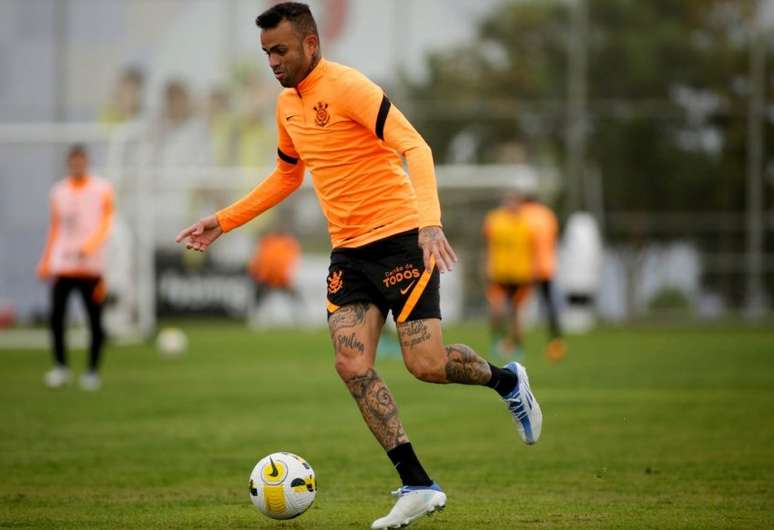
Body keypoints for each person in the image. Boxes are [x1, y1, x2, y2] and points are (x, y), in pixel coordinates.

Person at [176, 4, 542, 528]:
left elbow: (416, 146)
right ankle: (418, 484)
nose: (272, 62)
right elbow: (286, 176)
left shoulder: (348, 87)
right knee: (350, 364)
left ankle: (507, 381)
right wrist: (224, 220)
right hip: (348, 254)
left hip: (400, 242)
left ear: (311, 44)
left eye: (280, 50)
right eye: (266, 53)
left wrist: (430, 222)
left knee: (426, 365)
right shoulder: (286, 107)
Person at [37, 145, 114, 391]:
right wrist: (46, 261)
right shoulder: (58, 192)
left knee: (95, 320)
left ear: (86, 162)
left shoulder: (102, 189)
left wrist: (89, 246)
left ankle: (92, 371)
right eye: (73, 162)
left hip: (91, 267)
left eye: (81, 162)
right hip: (64, 265)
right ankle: (61, 367)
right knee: (57, 318)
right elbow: (55, 228)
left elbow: (106, 223)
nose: (77, 166)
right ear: (69, 164)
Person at [483, 191, 534, 359]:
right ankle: (497, 340)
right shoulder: (494, 220)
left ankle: (516, 346)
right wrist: (487, 264)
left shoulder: (527, 222)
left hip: (520, 274)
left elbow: (532, 248)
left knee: (517, 312)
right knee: (497, 310)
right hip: (499, 272)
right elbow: (488, 244)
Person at [519, 195, 566, 361]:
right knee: (549, 303)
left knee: (518, 304)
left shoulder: (523, 214)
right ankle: (556, 339)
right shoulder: (548, 214)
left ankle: (514, 342)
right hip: (547, 266)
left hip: (527, 267)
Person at [246, 228, 303, 326]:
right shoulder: (274, 242)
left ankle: (300, 319)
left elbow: (259, 259)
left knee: (294, 297)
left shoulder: (279, 242)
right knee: (259, 299)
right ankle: (255, 319)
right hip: (269, 277)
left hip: (277, 277)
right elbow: (260, 259)